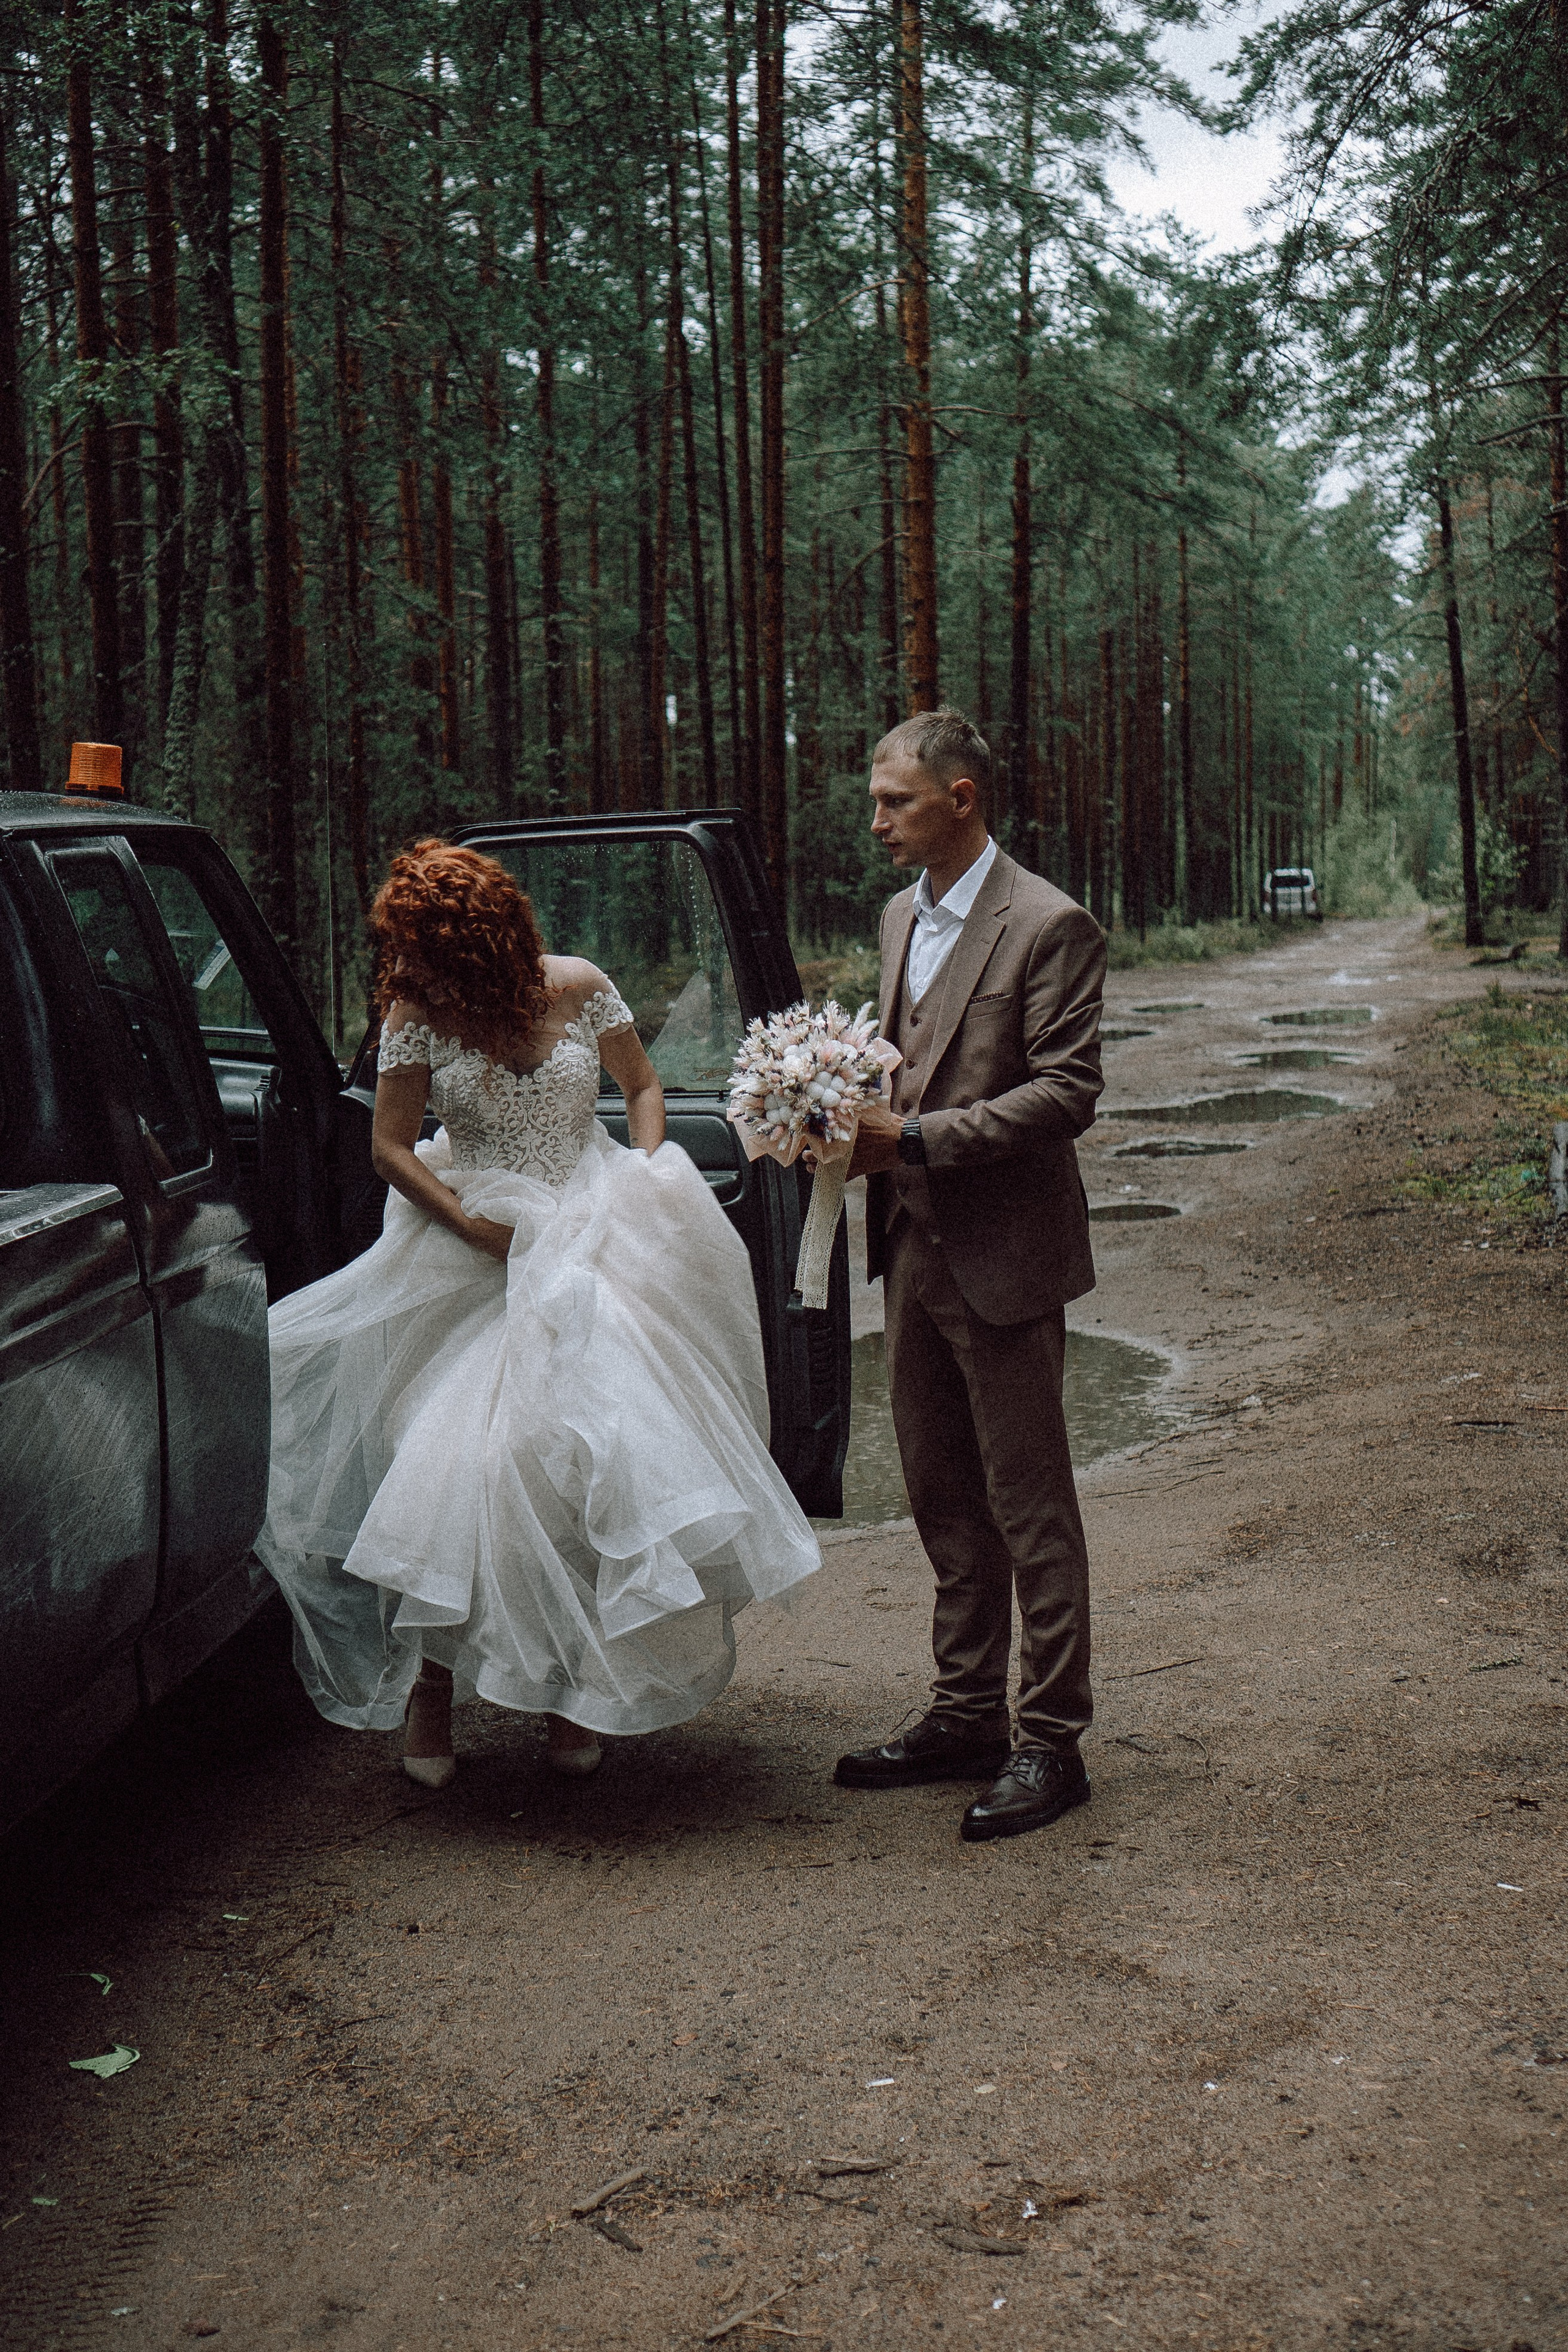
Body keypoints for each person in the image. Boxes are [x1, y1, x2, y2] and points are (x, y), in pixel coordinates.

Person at [256, 840, 818, 1787]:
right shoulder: (416, 1012)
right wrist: (474, 1227)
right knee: (462, 1464)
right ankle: (434, 1689)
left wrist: (642, 1177)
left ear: (473, 939)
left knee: (593, 1459)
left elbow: (641, 1089)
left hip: (594, 1229)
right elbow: (392, 1148)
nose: (403, 966)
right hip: (472, 1237)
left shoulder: (579, 986)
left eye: (419, 945)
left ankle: (570, 1690)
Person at [832, 710, 1106, 1842]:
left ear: (961, 798)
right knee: (942, 1497)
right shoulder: (901, 916)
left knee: (1029, 1505)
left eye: (897, 800)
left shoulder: (1049, 922)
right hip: (910, 1251)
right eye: (877, 801)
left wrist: (916, 1141)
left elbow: (1067, 1091)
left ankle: (1050, 1742)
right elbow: (899, 1058)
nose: (879, 820)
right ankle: (963, 1715)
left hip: (1003, 1256)